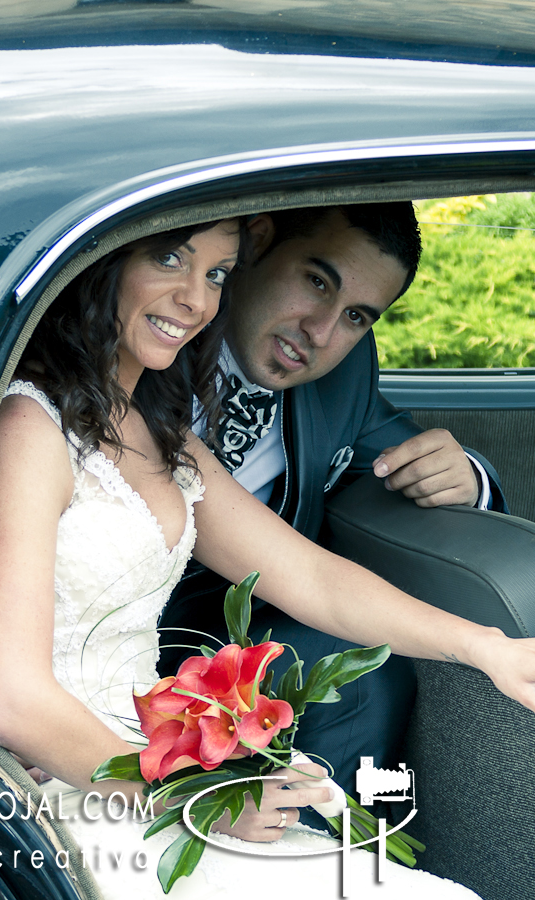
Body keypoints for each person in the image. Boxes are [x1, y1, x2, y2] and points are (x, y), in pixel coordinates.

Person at [0, 217, 535, 899]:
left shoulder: (162, 437)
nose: (196, 300)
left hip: (148, 758)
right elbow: (10, 703)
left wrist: (488, 648)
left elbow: (313, 579)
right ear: (102, 262)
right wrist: (200, 794)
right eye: (171, 259)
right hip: (69, 788)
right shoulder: (26, 426)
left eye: (215, 275)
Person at [157, 202, 506, 795]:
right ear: (258, 242)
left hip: (216, 646)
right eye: (316, 282)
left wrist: (468, 477)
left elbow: (403, 452)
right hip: (69, 644)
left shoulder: (343, 376)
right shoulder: (150, 338)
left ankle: (338, 846)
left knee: (363, 668)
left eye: (355, 317)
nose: (320, 332)